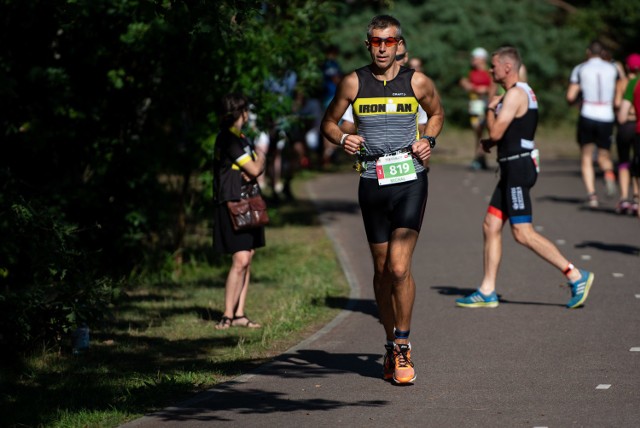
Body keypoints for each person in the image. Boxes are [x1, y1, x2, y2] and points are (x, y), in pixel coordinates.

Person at [321, 15, 444, 384]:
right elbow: (328, 122)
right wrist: (343, 139)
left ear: (399, 44)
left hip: (410, 179)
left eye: (388, 42)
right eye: (375, 42)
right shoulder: (353, 82)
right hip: (371, 180)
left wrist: (429, 140)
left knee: (398, 268)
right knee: (380, 272)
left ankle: (403, 346)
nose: (382, 48)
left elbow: (437, 114)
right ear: (367, 44)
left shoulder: (417, 81)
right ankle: (390, 345)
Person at [455, 47, 595, 310]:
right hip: (511, 167)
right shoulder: (519, 92)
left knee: (522, 232)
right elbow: (502, 135)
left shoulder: (516, 94)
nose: (490, 70)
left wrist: (489, 109)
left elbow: (496, 132)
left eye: (494, 65)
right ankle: (487, 290)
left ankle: (576, 275)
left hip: (518, 169)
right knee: (491, 225)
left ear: (507, 67)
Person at [213, 93, 267, 329]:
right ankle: (227, 314)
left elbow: (251, 170)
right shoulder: (230, 139)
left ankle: (240, 313)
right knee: (240, 258)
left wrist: (254, 167)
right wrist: (261, 157)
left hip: (247, 201)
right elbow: (254, 167)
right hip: (233, 204)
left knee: (248, 258)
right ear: (242, 113)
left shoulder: (240, 138)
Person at [566, 40, 620, 208]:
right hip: (606, 113)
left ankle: (592, 195)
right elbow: (618, 96)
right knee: (604, 155)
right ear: (603, 52)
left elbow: (570, 96)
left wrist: (575, 103)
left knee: (587, 156)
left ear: (588, 52)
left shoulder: (581, 68)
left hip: (588, 112)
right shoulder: (613, 68)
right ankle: (609, 174)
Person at [460, 47, 496, 171]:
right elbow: (463, 83)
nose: (472, 60)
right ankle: (481, 158)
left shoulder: (488, 71)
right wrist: (475, 88)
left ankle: (479, 158)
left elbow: (492, 86)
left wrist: (483, 90)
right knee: (478, 131)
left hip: (485, 104)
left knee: (482, 130)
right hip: (475, 105)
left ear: (482, 59)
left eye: (475, 58)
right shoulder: (470, 71)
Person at [614, 54, 640, 215]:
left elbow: (618, 105)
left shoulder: (628, 84)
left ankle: (624, 197)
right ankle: (636, 198)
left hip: (628, 127)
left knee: (626, 161)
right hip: (636, 124)